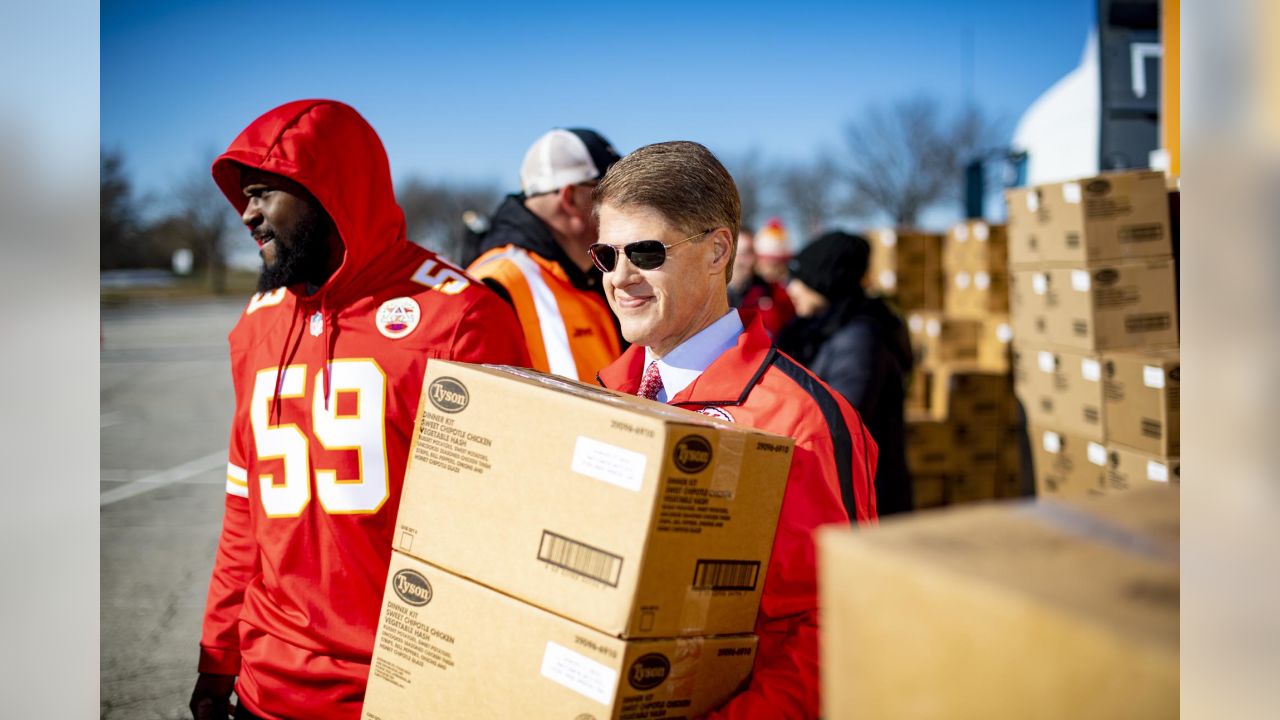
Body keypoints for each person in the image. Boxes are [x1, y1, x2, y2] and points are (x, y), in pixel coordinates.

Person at [190, 99, 530, 720]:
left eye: (264, 193)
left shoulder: (461, 317)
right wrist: (219, 652)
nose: (246, 214)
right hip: (267, 685)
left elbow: (507, 526)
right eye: (245, 196)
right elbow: (245, 512)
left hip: (404, 689)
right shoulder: (256, 328)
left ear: (330, 190)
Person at [590, 141, 877, 719]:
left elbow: (838, 627)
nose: (621, 278)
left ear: (719, 250)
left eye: (645, 252)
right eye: (605, 255)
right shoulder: (598, 395)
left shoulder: (800, 421)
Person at [468, 128, 624, 381]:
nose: (624, 206)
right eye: (610, 193)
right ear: (570, 197)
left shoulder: (593, 273)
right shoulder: (494, 286)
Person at [779, 231, 915, 515]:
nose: (791, 289)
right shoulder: (818, 330)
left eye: (800, 280)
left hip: (865, 498)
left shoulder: (860, 339)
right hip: (843, 490)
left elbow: (839, 419)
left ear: (824, 282)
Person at [727, 226, 795, 337]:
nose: (744, 261)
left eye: (751, 253)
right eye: (741, 253)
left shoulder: (773, 293)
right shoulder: (711, 297)